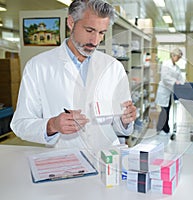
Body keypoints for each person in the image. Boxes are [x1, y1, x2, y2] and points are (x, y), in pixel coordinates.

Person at [10, 0, 136, 151]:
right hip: (64, 161)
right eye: (89, 30)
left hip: (106, 159)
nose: (95, 41)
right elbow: (20, 124)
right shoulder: (38, 66)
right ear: (71, 22)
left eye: (101, 33)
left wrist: (125, 120)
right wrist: (52, 125)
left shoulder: (113, 68)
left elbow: (121, 126)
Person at [155, 48, 185, 135]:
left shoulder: (176, 67)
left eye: (180, 57)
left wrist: (182, 83)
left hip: (169, 92)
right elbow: (165, 78)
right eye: (178, 57)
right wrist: (175, 82)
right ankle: (161, 128)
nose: (178, 59)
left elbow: (180, 77)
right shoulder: (166, 64)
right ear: (173, 55)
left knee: (167, 110)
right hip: (164, 91)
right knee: (164, 111)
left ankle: (165, 128)